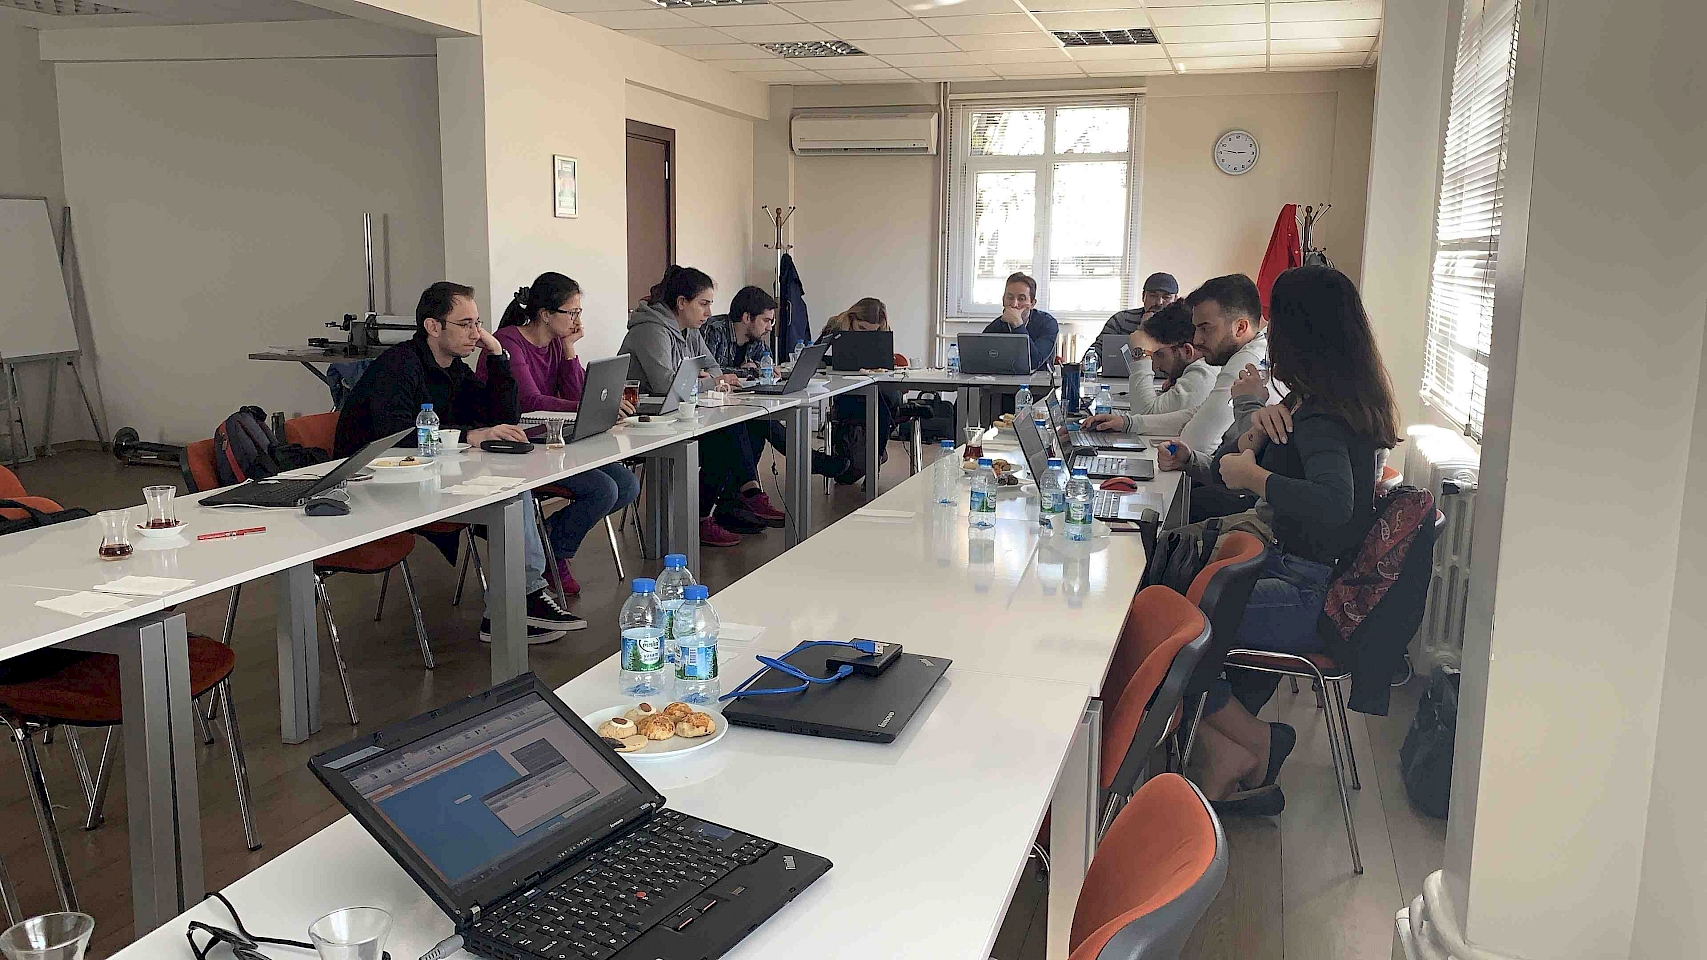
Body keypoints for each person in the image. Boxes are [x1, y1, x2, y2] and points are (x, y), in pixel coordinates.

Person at [1188, 265, 1400, 817]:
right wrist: (1259, 428)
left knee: (1171, 631)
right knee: (1171, 605)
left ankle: (1253, 743)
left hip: (1308, 593)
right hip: (1301, 574)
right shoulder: (1328, 403)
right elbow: (1253, 463)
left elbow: (1333, 502)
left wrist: (1254, 476)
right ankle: (1230, 751)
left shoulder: (1323, 417)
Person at [334, 281, 581, 641]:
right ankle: (516, 604)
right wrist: (468, 436)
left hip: (427, 474)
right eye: (465, 324)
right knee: (511, 495)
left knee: (513, 491)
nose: (475, 333)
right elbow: (395, 437)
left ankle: (514, 605)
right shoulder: (398, 367)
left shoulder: (454, 368)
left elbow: (502, 416)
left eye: (477, 323)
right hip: (373, 486)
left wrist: (497, 356)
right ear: (433, 327)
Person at [487, 272, 640, 597]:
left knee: (627, 485)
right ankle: (555, 555)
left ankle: (548, 541)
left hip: (554, 441)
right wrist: (586, 408)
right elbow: (528, 402)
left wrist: (569, 348)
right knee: (602, 489)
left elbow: (575, 394)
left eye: (578, 312)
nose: (577, 320)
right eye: (571, 312)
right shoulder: (509, 342)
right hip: (518, 444)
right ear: (545, 314)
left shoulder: (557, 344)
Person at [619, 266, 785, 546]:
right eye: (703, 304)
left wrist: (705, 380)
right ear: (682, 303)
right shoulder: (650, 330)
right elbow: (666, 385)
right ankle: (717, 510)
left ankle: (721, 508)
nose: (709, 312)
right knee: (726, 438)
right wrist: (709, 382)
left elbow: (713, 367)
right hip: (644, 421)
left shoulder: (690, 330)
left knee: (740, 429)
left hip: (678, 414)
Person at [1083, 273, 1276, 471]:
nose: (1197, 340)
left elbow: (1195, 443)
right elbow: (1198, 413)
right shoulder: (1252, 350)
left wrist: (1141, 356)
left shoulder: (1247, 362)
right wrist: (1128, 423)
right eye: (1196, 329)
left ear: (1240, 328)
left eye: (1205, 329)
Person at [817, 298, 900, 485]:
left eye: (872, 332)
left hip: (876, 392)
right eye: (861, 328)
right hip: (846, 393)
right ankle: (875, 457)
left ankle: (875, 458)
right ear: (852, 318)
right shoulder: (835, 325)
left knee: (884, 401)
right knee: (883, 403)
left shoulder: (883, 330)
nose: (865, 335)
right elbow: (816, 356)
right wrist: (837, 361)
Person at [1120, 301, 1214, 416]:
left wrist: (1141, 355)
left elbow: (1143, 416)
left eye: (1159, 354)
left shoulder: (1203, 375)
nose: (1154, 366)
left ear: (1187, 351)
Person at [1082, 272, 1179, 367]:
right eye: (1153, 295)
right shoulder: (1121, 320)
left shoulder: (1182, 325)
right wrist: (1087, 366)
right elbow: (1098, 350)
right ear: (1143, 296)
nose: (1159, 302)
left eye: (1166, 297)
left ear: (1175, 300)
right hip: (1122, 377)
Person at [981, 272, 1058, 372]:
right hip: (1004, 379)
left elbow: (1034, 362)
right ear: (1003, 300)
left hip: (1039, 379)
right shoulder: (995, 326)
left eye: (1021, 299)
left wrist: (1018, 325)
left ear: (1032, 303)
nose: (1014, 304)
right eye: (1010, 297)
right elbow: (981, 359)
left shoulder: (1048, 323)